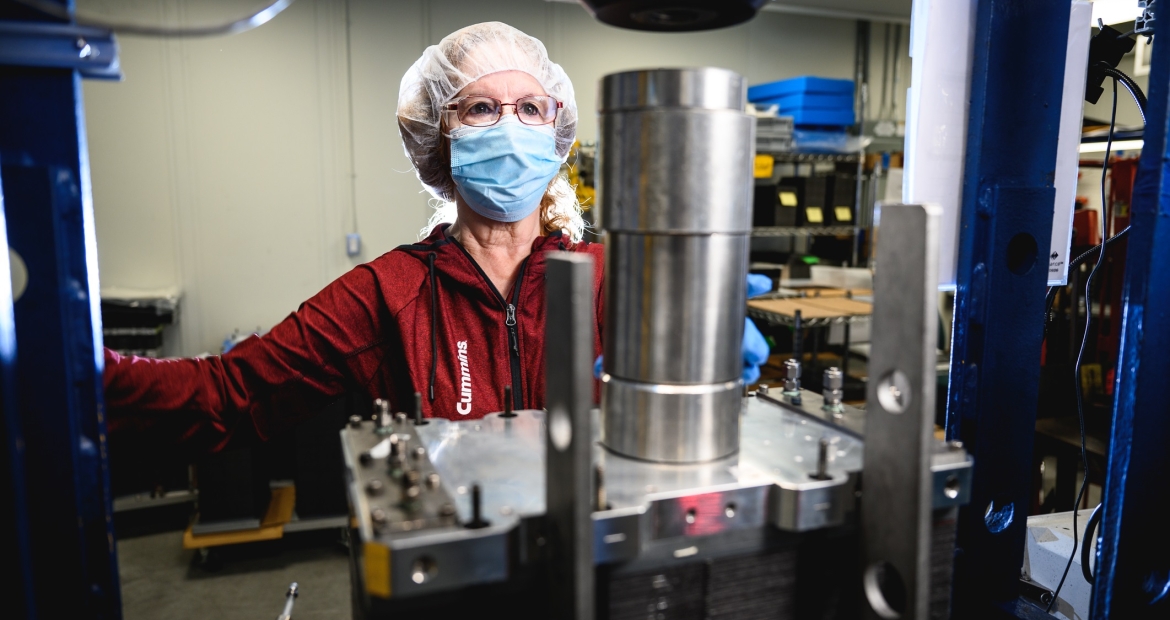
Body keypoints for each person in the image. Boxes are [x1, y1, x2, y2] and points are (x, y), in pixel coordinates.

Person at [103, 22, 768, 454]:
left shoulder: (610, 278)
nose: (510, 126)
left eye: (531, 108)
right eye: (481, 107)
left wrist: (703, 343)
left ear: (556, 136)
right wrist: (76, 364)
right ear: (439, 138)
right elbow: (228, 391)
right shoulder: (388, 293)